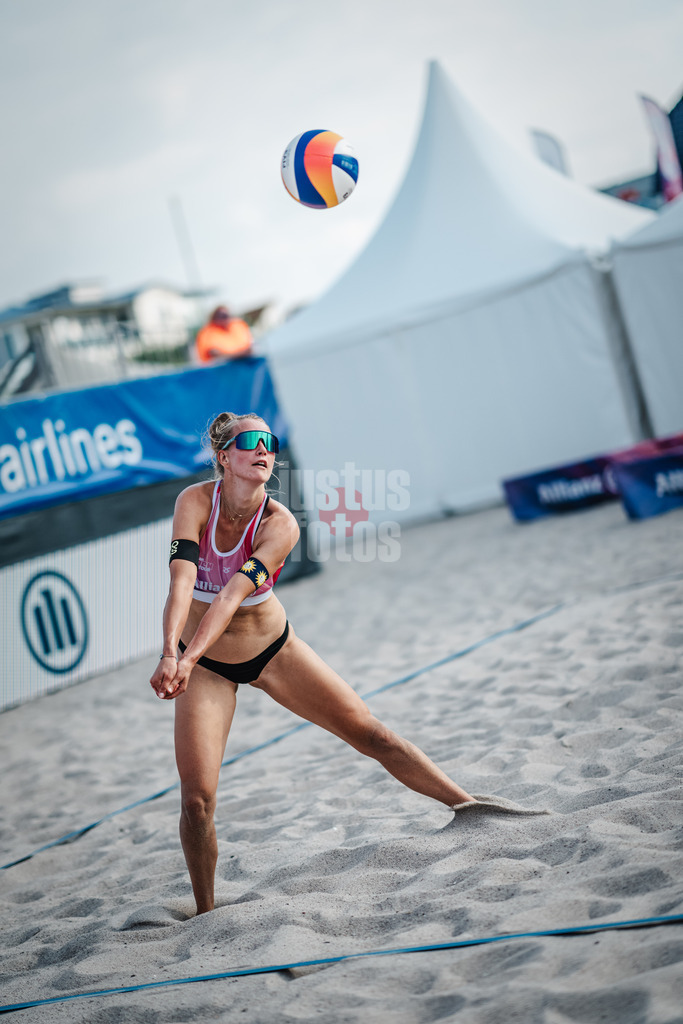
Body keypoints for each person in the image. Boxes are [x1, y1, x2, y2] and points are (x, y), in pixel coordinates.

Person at [150, 411, 475, 916]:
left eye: (270, 442)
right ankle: (206, 915)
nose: (265, 450)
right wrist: (172, 652)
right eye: (252, 441)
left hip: (273, 651)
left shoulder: (280, 524)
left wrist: (182, 659)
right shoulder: (193, 502)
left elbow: (232, 595)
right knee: (196, 802)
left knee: (373, 735)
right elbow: (181, 583)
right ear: (223, 457)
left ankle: (469, 807)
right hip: (207, 667)